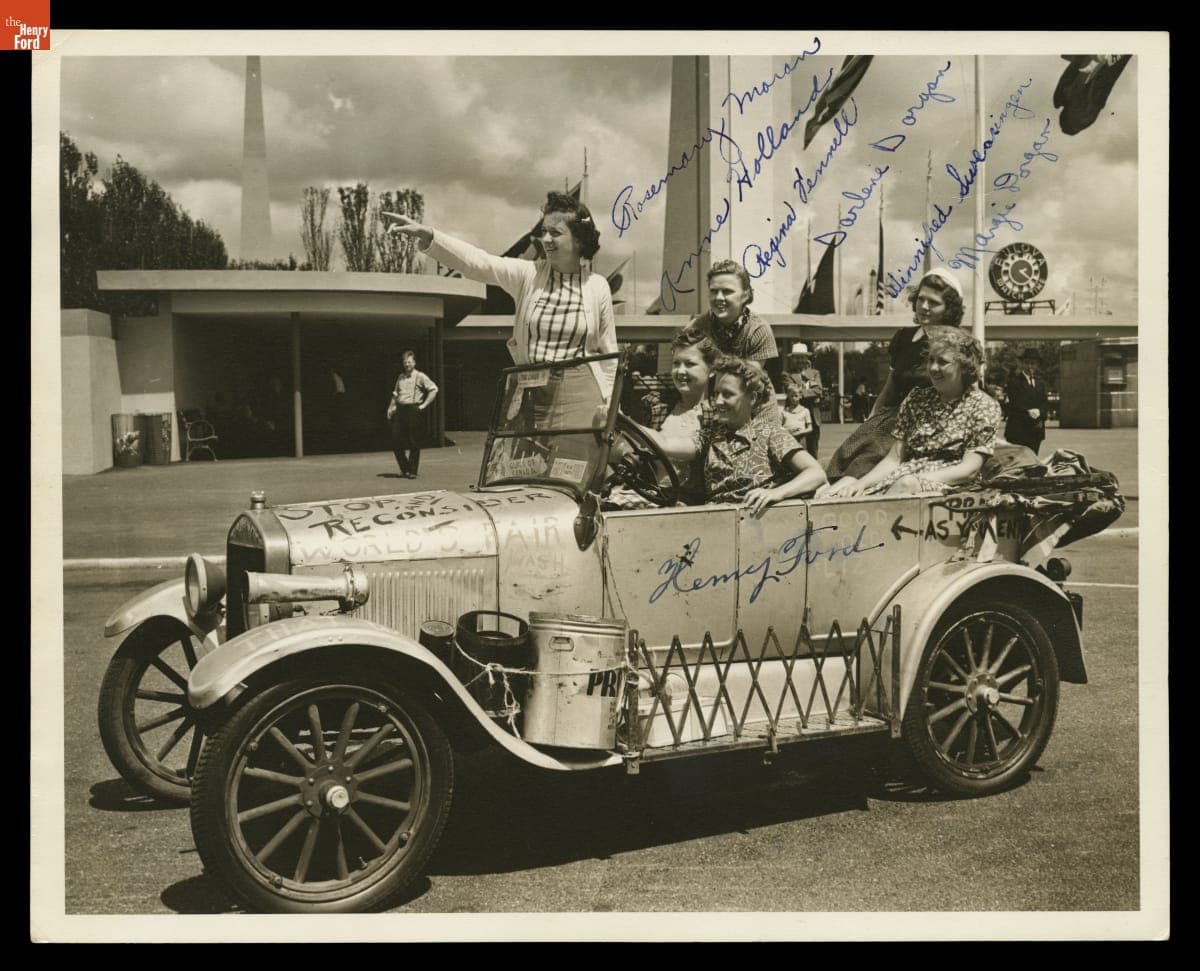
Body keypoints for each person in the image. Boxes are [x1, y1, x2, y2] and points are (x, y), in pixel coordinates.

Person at [384, 192, 617, 429]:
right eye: (544, 231)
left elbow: (609, 354)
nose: (546, 239)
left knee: (573, 464)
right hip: (529, 394)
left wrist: (610, 404)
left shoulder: (597, 286)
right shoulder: (528, 274)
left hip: (580, 398)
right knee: (520, 464)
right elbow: (479, 263)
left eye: (555, 232)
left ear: (578, 240)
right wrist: (430, 235)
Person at [824, 267, 966, 490]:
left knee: (876, 452)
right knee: (852, 451)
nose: (925, 307)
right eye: (921, 299)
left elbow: (966, 391)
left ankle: (845, 490)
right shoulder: (904, 337)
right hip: (892, 417)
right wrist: (871, 420)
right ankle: (836, 490)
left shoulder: (955, 341)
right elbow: (891, 386)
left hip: (928, 421)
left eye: (934, 302)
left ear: (949, 308)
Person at [819, 328, 1000, 498]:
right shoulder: (917, 399)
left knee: (901, 489)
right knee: (840, 494)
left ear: (965, 367)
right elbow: (894, 459)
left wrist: (915, 480)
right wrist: (862, 484)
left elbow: (969, 470)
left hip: (952, 487)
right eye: (931, 360)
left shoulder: (983, 406)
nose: (933, 368)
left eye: (942, 362)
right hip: (902, 478)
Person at [639, 356, 827, 515]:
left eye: (728, 394)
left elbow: (816, 473)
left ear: (751, 399)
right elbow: (664, 442)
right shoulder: (709, 436)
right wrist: (621, 421)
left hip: (761, 524)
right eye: (716, 394)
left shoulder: (770, 433)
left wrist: (777, 493)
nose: (718, 401)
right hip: (716, 525)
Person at [608, 330, 720, 507]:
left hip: (688, 504)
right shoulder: (657, 405)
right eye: (676, 363)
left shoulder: (716, 415)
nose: (680, 371)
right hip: (648, 494)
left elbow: (663, 442)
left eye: (690, 364)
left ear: (712, 370)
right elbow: (627, 450)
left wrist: (619, 418)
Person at [687, 260, 782, 387]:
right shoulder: (697, 328)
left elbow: (747, 379)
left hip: (745, 396)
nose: (719, 298)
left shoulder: (758, 330)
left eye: (727, 291)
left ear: (745, 295)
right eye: (714, 291)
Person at [386, 349, 438, 478]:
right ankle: (405, 468)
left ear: (414, 363)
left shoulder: (420, 376)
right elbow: (395, 394)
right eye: (405, 362)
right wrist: (391, 408)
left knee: (414, 441)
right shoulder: (400, 377)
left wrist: (423, 405)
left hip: (413, 409)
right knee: (396, 439)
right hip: (401, 410)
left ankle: (412, 471)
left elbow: (434, 389)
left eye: (409, 362)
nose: (407, 364)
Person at [1005, 348, 1050, 454]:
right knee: (1019, 462)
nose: (1030, 366)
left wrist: (1040, 412)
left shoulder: (1041, 383)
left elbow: (1045, 403)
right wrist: (1028, 412)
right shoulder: (1014, 382)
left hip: (1036, 431)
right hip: (1018, 430)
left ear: (1037, 365)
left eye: (1033, 363)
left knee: (1033, 460)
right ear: (1022, 364)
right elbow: (1014, 403)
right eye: (1027, 363)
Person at [783, 344, 824, 457]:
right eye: (797, 357)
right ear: (792, 359)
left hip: (813, 415)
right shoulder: (786, 374)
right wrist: (809, 389)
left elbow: (819, 390)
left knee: (813, 449)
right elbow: (793, 392)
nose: (800, 360)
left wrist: (804, 379)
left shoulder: (815, 373)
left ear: (807, 358)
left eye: (803, 357)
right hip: (795, 415)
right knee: (796, 448)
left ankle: (815, 471)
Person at [780, 383, 814, 450]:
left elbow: (810, 428)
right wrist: (787, 431)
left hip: (800, 440)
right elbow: (779, 427)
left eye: (796, 396)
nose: (793, 398)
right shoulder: (784, 411)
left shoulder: (805, 411)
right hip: (787, 440)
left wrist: (799, 432)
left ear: (800, 396)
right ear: (788, 397)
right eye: (791, 396)